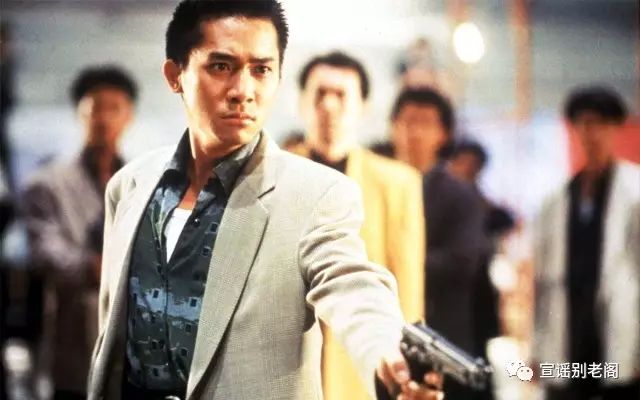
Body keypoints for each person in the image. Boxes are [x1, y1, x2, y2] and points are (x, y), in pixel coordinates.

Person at [87, 2, 443, 400]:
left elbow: (353, 285)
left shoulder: (315, 193)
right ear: (175, 75)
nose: (243, 91)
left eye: (261, 70)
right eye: (221, 66)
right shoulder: (130, 186)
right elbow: (113, 336)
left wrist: (386, 353)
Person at [295, 51, 425, 400]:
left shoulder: (398, 183)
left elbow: (407, 285)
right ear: (302, 102)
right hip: (290, 361)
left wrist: (406, 370)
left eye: (341, 95)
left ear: (363, 106)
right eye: (320, 94)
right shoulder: (274, 176)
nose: (329, 105)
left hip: (361, 361)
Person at [23, 65, 137, 400]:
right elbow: (46, 250)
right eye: (94, 108)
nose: (104, 119)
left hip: (132, 344)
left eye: (114, 108)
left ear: (129, 116)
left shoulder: (142, 182)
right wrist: (94, 267)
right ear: (79, 113)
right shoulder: (47, 184)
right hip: (72, 338)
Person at [533, 86, 640, 400]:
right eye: (585, 124)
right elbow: (541, 280)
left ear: (615, 129)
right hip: (569, 331)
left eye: (601, 124)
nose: (592, 134)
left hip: (619, 330)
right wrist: (536, 350)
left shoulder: (634, 191)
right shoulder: (558, 198)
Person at [390, 87, 488, 400]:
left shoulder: (459, 193)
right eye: (406, 121)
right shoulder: (379, 185)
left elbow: (462, 262)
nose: (414, 132)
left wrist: (394, 264)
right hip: (387, 335)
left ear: (443, 133)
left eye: (425, 123)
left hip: (442, 335)